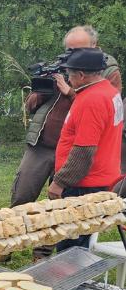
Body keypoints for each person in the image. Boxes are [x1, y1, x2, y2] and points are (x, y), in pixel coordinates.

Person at [11, 26, 120, 260]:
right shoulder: (73, 72)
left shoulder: (100, 84)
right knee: (23, 196)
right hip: (47, 144)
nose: (69, 58)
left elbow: (88, 142)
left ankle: (52, 261)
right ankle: (8, 244)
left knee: (68, 226)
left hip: (80, 165)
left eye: (76, 50)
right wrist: (42, 89)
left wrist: (70, 91)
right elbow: (33, 103)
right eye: (68, 50)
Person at [47, 48, 123, 250]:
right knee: (83, 240)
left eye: (70, 74)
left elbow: (83, 151)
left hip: (83, 184)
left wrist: (59, 182)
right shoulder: (110, 92)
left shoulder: (91, 100)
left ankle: (72, 282)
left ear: (81, 75)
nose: (68, 79)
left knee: (71, 243)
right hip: (100, 179)